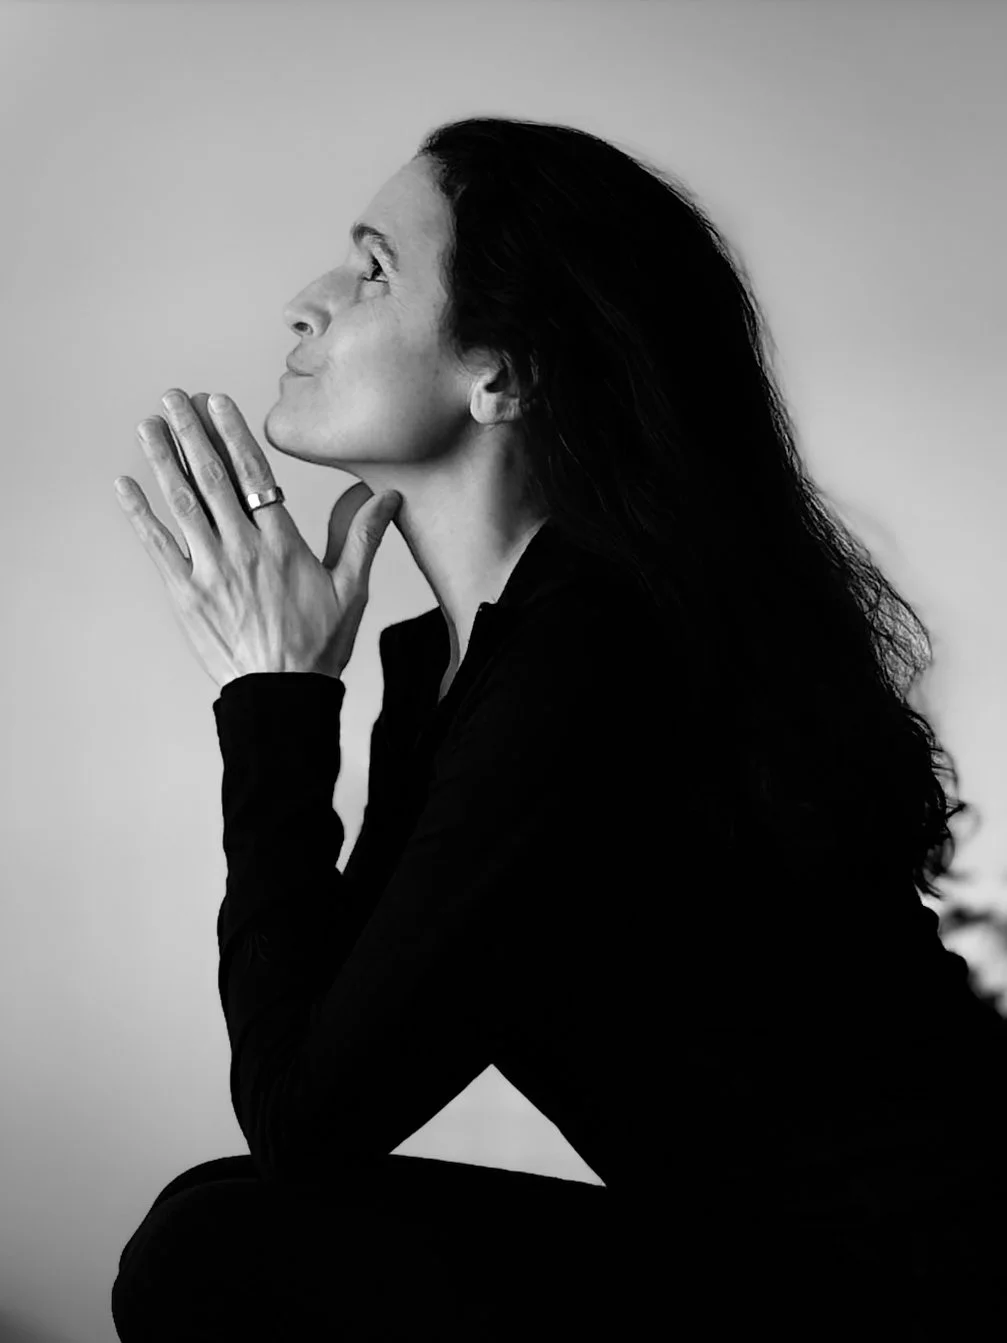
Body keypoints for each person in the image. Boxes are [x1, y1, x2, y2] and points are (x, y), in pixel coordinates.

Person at [111, 115, 1005, 1340]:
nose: (306, 303)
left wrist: (273, 693)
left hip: (912, 1289)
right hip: (754, 1260)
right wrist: (288, 683)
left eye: (374, 269)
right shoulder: (457, 660)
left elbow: (306, 1116)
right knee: (217, 1217)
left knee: (214, 1248)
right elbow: (310, 1068)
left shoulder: (599, 652)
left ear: (504, 373)